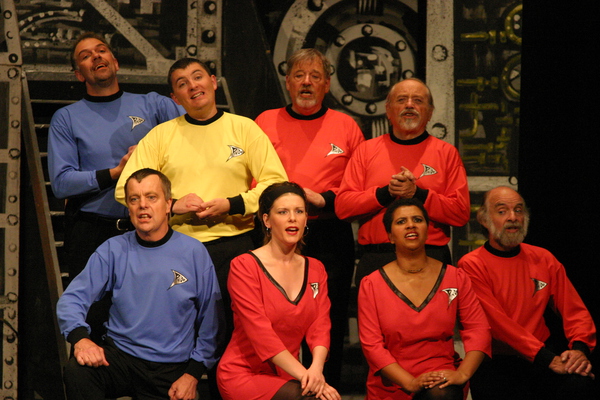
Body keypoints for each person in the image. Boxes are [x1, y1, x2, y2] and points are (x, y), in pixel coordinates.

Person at [114, 57, 287, 398]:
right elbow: (126, 188)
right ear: (175, 98)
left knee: (234, 337)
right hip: (176, 250)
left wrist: (231, 204)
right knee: (177, 334)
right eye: (182, 83)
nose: (192, 86)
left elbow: (276, 184)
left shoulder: (245, 128)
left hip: (234, 248)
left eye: (198, 77)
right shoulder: (162, 135)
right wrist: (173, 204)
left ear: (213, 81)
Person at [56, 168, 222, 400]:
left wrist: (193, 375)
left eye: (151, 197)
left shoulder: (194, 252)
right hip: (120, 357)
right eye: (134, 199)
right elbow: (72, 299)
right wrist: (81, 339)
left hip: (171, 367)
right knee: (78, 372)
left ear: (168, 205)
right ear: (129, 208)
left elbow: (212, 322)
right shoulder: (113, 249)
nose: (142, 205)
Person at [255, 48, 365, 386]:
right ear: (287, 82)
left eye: (315, 76)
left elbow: (359, 186)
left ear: (327, 84)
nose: (307, 82)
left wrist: (324, 199)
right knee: (273, 318)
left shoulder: (347, 126)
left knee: (327, 319)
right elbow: (250, 178)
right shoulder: (264, 122)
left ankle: (325, 388)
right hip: (275, 237)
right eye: (299, 76)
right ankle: (279, 390)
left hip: (329, 233)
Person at [48, 32, 184, 282]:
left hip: (149, 229)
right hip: (93, 234)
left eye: (101, 50)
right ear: (79, 74)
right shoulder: (66, 118)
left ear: (116, 62)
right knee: (94, 306)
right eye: (86, 56)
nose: (96, 56)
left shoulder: (154, 105)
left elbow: (197, 129)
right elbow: (61, 183)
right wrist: (116, 173)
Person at [457, 186, 597, 399]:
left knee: (580, 382)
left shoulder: (543, 258)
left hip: (542, 357)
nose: (513, 218)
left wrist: (579, 350)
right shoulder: (471, 264)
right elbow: (498, 326)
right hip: (499, 361)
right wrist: (547, 359)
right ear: (484, 219)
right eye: (502, 211)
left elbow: (575, 311)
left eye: (519, 210)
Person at [335, 78, 469, 287]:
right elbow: (343, 208)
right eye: (401, 100)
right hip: (378, 258)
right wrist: (385, 193)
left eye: (418, 100)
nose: (409, 105)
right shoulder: (366, 151)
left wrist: (417, 194)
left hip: (430, 257)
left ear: (430, 112)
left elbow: (460, 213)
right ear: (388, 110)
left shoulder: (446, 153)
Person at [217, 182, 341, 400]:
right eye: (283, 212)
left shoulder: (315, 268)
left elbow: (320, 325)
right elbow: (261, 334)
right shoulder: (244, 266)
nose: (292, 218)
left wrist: (316, 370)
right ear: (266, 220)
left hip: (290, 374)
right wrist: (308, 378)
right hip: (244, 374)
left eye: (299, 211)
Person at [358, 198, 490, 400]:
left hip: (441, 379)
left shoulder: (455, 277)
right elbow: (372, 345)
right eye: (401, 221)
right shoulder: (371, 284)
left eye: (417, 219)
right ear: (390, 236)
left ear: (427, 230)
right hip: (393, 383)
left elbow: (478, 329)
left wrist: (463, 374)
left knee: (441, 395)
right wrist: (410, 382)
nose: (410, 225)